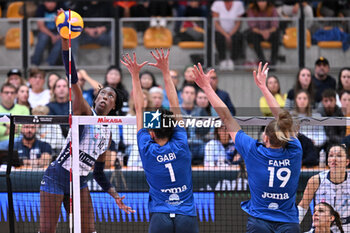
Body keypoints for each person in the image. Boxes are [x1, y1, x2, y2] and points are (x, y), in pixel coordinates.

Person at [39, 12, 134, 232]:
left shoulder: (107, 135)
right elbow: (71, 76)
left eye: (110, 96)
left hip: (79, 181)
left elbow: (98, 173)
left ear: (114, 107)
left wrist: (115, 195)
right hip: (56, 176)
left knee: (88, 230)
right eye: (102, 93)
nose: (104, 97)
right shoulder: (84, 111)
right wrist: (65, 40)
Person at [192, 62, 302, 232]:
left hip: (259, 222)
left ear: (264, 137)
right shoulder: (295, 150)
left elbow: (227, 118)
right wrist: (264, 87)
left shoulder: (253, 151)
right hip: (289, 223)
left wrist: (207, 88)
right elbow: (283, 118)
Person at [121, 49, 198, 233]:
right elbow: (174, 103)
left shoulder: (147, 149)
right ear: (173, 129)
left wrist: (134, 75)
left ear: (152, 134)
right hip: (186, 214)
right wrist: (165, 70)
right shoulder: (180, 142)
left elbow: (139, 108)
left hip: (160, 215)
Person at [298, 144, 350, 233]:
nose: (334, 159)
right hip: (320, 229)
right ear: (328, 161)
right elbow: (303, 206)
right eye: (331, 155)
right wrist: (293, 226)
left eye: (339, 155)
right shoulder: (316, 180)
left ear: (347, 162)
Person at [211, 0, 245, 70]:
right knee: (219, 37)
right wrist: (226, 35)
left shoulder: (238, 4)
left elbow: (238, 23)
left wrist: (230, 34)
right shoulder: (217, 3)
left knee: (238, 37)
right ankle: (222, 59)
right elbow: (216, 23)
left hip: (234, 30)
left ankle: (233, 60)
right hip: (220, 30)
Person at [246, 1, 280, 66]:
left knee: (276, 35)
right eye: (259, 1)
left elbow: (275, 26)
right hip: (258, 33)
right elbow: (252, 27)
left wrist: (267, 32)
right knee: (253, 36)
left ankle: (273, 61)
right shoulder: (252, 10)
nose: (261, 3)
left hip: (270, 32)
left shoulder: (272, 9)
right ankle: (262, 60)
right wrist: (262, 32)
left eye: (263, 1)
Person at [30, 1, 64, 66]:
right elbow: (41, 27)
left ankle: (48, 63)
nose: (50, 4)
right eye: (48, 2)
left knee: (61, 41)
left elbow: (65, 25)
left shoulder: (61, 8)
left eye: (52, 2)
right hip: (45, 31)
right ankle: (34, 63)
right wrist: (52, 36)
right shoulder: (41, 8)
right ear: (44, 2)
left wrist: (59, 35)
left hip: (58, 32)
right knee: (43, 38)